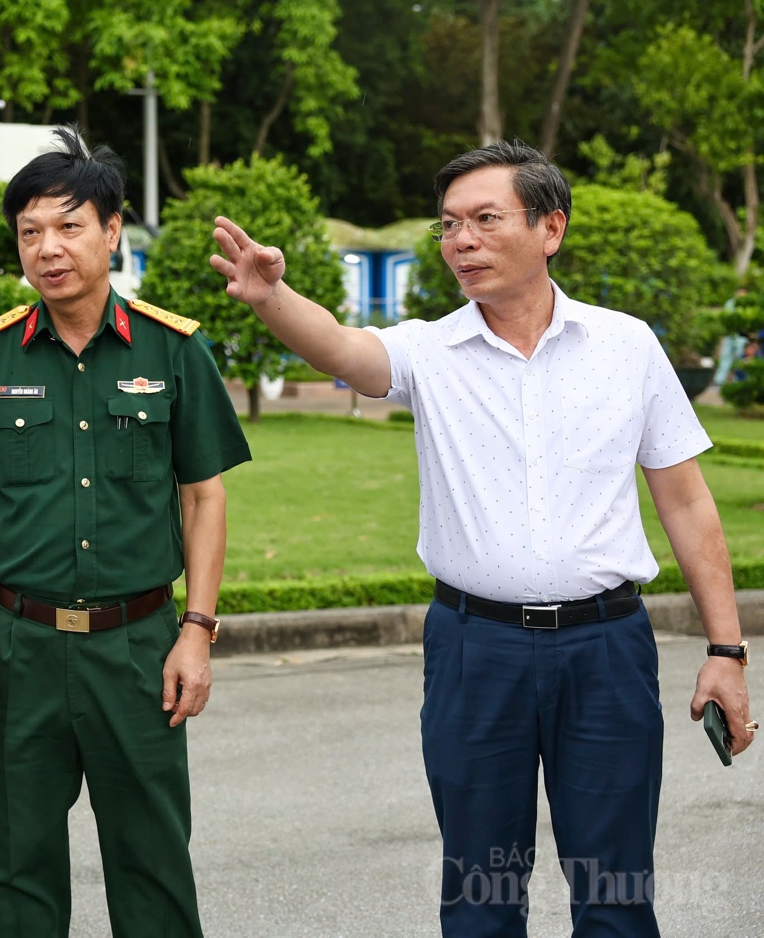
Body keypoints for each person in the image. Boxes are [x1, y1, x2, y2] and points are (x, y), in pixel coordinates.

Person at [210, 140, 755, 936]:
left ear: (549, 228)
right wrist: (271, 297)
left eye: (484, 219)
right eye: (448, 224)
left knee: (614, 891)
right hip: (475, 649)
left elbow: (686, 503)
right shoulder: (429, 351)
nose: (460, 240)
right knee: (480, 892)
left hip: (606, 651)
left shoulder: (625, 346)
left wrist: (726, 651)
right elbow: (341, 348)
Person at [0, 126, 251, 938]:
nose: (48, 248)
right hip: (16, 647)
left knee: (153, 864)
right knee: (16, 867)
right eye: (29, 231)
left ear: (111, 231)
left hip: (139, 647)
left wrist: (196, 631)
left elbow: (203, 498)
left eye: (68, 226)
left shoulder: (173, 351)